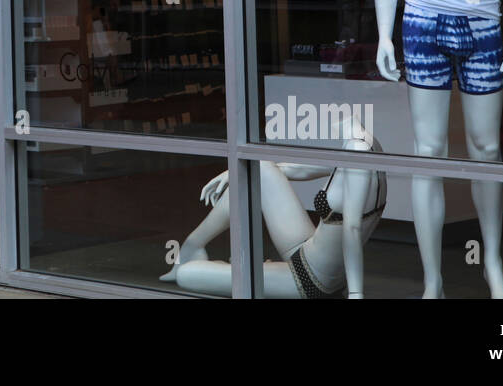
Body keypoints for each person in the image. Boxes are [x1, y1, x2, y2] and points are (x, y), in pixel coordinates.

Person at [162, 119, 386, 298]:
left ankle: (226, 267)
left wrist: (356, 294)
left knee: (185, 275)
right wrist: (234, 172)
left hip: (310, 279)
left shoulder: (359, 153)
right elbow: (299, 170)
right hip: (307, 249)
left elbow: (353, 228)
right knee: (260, 169)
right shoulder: (364, 145)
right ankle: (192, 246)